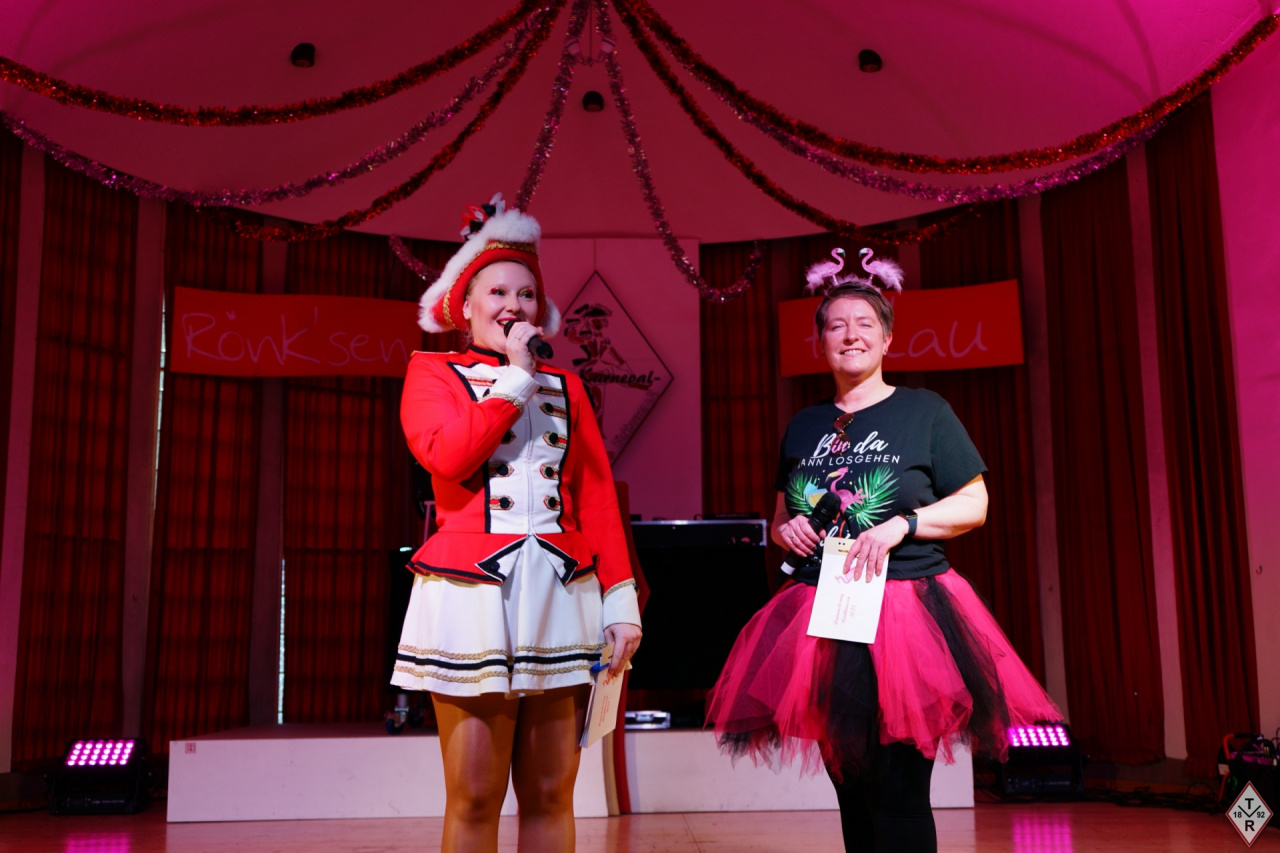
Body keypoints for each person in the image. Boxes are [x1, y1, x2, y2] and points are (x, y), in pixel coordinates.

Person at [706, 248, 1060, 853]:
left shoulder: (925, 411)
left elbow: (974, 505)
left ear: (888, 338)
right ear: (820, 341)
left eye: (865, 323)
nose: (851, 335)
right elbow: (781, 515)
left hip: (906, 612)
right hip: (825, 614)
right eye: (836, 326)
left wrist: (904, 524)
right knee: (851, 786)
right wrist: (787, 529)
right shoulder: (804, 424)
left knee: (898, 791)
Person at [392, 194, 643, 853]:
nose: (514, 305)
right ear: (466, 306)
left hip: (561, 593)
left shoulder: (568, 386)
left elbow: (594, 496)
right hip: (472, 597)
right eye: (498, 292)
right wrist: (514, 381)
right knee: (475, 797)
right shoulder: (431, 373)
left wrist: (620, 600)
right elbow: (448, 456)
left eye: (527, 294)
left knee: (553, 793)